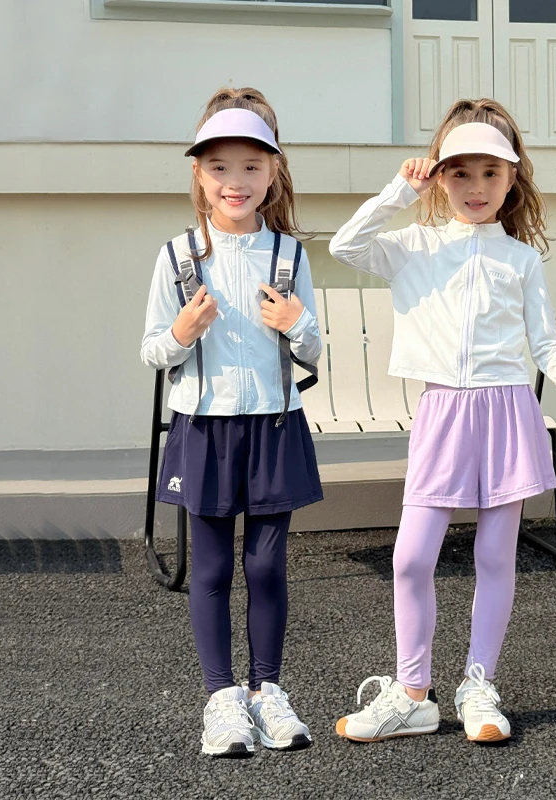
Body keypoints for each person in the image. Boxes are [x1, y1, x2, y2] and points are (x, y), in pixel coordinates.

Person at [329, 98, 556, 744]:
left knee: (495, 556)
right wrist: (398, 191)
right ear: (439, 175)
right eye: (460, 173)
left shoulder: (521, 261)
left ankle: (478, 684)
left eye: (490, 173)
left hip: (507, 411)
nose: (476, 188)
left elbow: (547, 347)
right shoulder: (414, 246)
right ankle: (412, 694)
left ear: (512, 178)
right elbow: (347, 244)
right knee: (410, 560)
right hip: (442, 414)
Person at [141, 88, 323, 757]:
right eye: (219, 167)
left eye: (251, 166)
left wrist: (296, 324)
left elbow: (313, 348)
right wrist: (183, 332)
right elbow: (152, 351)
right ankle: (222, 701)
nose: (235, 181)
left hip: (275, 425)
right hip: (205, 428)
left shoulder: (291, 256)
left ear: (272, 172)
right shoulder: (178, 257)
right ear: (198, 173)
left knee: (268, 568)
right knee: (213, 570)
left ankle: (267, 691)